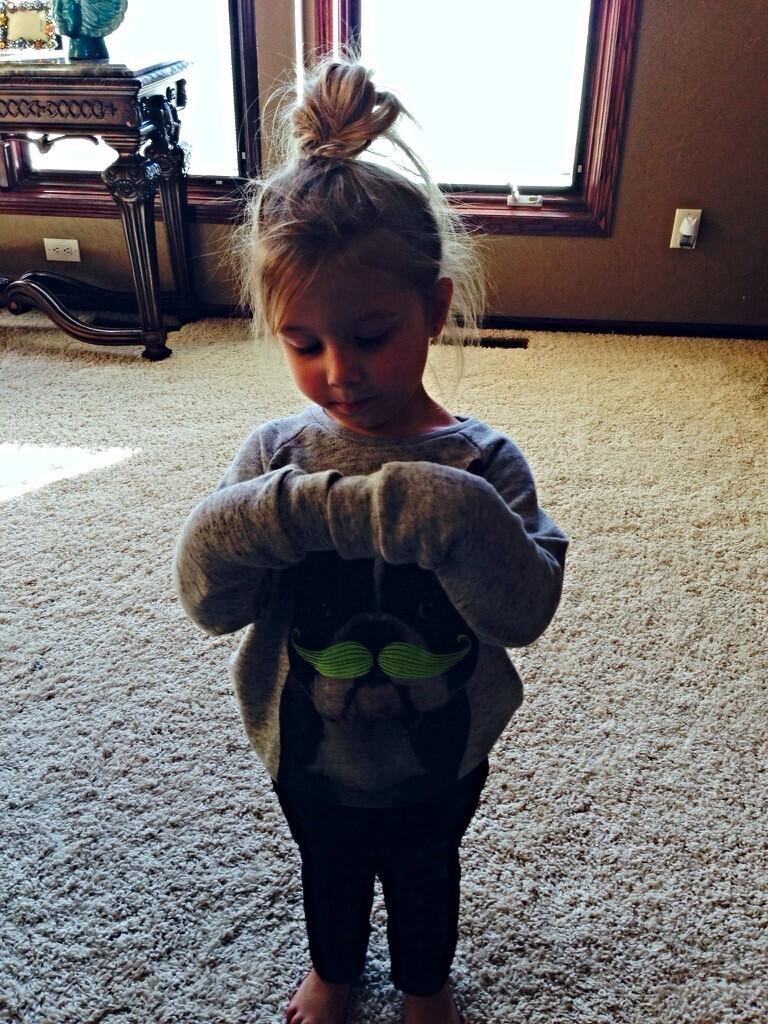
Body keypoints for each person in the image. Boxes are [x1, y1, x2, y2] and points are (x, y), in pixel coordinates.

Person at [173, 50, 569, 1024]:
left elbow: (525, 612)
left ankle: (427, 985)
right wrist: (298, 509)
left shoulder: (483, 464)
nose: (339, 371)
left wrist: (448, 510)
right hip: (307, 749)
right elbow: (208, 599)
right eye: (303, 343)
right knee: (330, 868)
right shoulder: (274, 455)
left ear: (434, 308)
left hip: (443, 750)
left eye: (370, 334)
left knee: (428, 872)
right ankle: (335, 970)